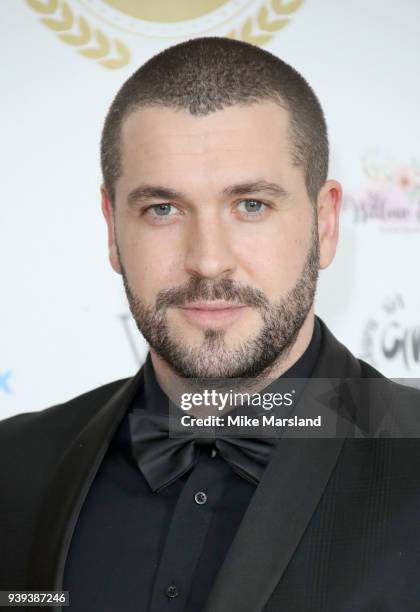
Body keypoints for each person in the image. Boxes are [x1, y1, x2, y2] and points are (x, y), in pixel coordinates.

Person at [1, 37, 420, 612]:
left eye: (251, 205)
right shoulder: (14, 467)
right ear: (111, 228)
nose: (208, 260)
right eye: (162, 210)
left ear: (324, 222)